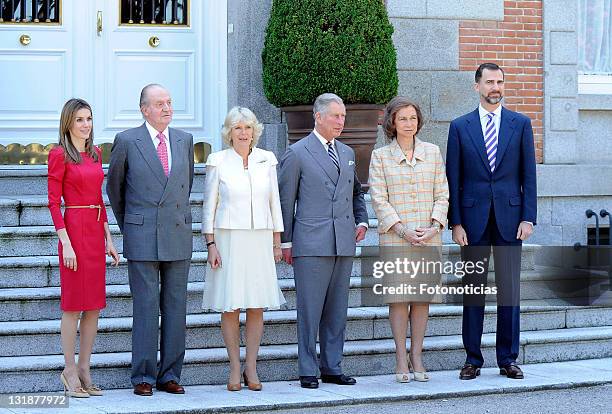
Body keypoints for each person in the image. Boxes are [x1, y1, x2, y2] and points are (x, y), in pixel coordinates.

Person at [446, 63, 537, 380]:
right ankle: (472, 358)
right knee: (473, 291)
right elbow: (453, 178)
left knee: (509, 292)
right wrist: (455, 222)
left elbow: (529, 174)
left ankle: (508, 359)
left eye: (499, 82)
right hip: (471, 222)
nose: (495, 87)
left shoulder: (521, 124)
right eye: (489, 82)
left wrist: (528, 216)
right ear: (477, 86)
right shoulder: (459, 127)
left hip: (512, 219)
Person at [106, 84, 194, 396]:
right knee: (145, 307)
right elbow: (114, 188)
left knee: (175, 307)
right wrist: (129, 225)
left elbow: (185, 186)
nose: (167, 108)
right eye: (159, 104)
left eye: (169, 102)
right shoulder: (128, 140)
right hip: (141, 234)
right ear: (145, 109)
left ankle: (170, 374)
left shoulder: (184, 140)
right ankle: (142, 376)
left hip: (177, 233)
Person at [278, 93, 369, 389]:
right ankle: (307, 368)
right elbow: (284, 200)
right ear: (318, 117)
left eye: (343, 116)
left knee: (337, 309)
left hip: (342, 241)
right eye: (335, 116)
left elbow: (357, 192)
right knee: (310, 309)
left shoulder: (346, 152)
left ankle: (332, 366)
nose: (341, 121)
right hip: (310, 242)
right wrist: (286, 242)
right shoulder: (297, 152)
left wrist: (362, 219)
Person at [201, 107, 286, 392]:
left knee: (256, 303)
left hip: (260, 238)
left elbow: (275, 201)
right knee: (231, 302)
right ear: (229, 132)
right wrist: (210, 244)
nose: (243, 133)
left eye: (247, 127)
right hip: (228, 238)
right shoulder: (218, 161)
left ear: (254, 131)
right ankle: (234, 367)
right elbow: (208, 206)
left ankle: (252, 366)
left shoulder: (267, 160)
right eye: (237, 128)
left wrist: (277, 240)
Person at [369, 97, 449, 383]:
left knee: (422, 299)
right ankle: (400, 358)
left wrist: (434, 226)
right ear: (392, 122)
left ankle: (417, 356)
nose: (408, 123)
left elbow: (443, 193)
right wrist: (402, 229)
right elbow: (379, 199)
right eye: (402, 118)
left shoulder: (433, 151)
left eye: (413, 118)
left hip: (428, 237)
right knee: (399, 298)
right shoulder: (380, 157)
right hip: (396, 238)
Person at [48, 98, 120, 398]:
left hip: (94, 228)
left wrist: (109, 240)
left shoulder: (95, 153)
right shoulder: (58, 154)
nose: (86, 124)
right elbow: (53, 203)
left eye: (89, 118)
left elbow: (99, 198)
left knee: (93, 306)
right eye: (79, 119)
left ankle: (85, 368)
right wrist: (65, 244)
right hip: (73, 230)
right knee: (73, 305)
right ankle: (68, 368)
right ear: (68, 123)